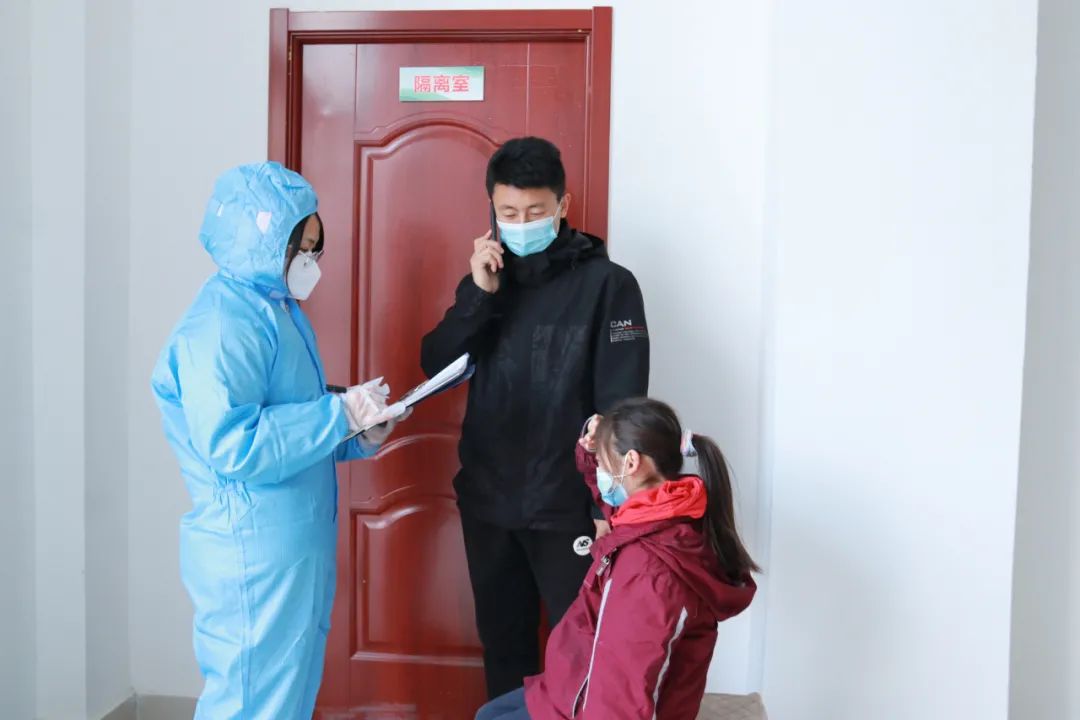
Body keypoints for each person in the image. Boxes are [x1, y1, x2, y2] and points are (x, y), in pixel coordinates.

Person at [151, 162, 406, 719]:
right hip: (252, 546)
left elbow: (293, 421)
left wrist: (357, 431)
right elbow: (234, 444)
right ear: (263, 239)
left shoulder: (276, 310)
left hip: (290, 542)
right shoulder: (223, 324)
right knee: (250, 702)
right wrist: (339, 413)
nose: (310, 262)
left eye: (315, 248)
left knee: (285, 697)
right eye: (301, 249)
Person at [421, 137, 651, 699]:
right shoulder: (487, 280)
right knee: (503, 647)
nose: (521, 224)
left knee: (582, 650)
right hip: (489, 502)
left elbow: (622, 405)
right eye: (508, 213)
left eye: (534, 212)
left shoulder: (609, 286)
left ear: (562, 205)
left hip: (568, 507)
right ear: (492, 210)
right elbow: (435, 367)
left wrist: (607, 506)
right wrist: (478, 297)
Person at [475, 397, 759, 720]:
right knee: (488, 713)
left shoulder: (649, 573)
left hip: (590, 704)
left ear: (632, 462)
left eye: (605, 465)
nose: (601, 474)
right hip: (575, 680)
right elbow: (612, 505)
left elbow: (623, 689)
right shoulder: (662, 509)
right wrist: (591, 454)